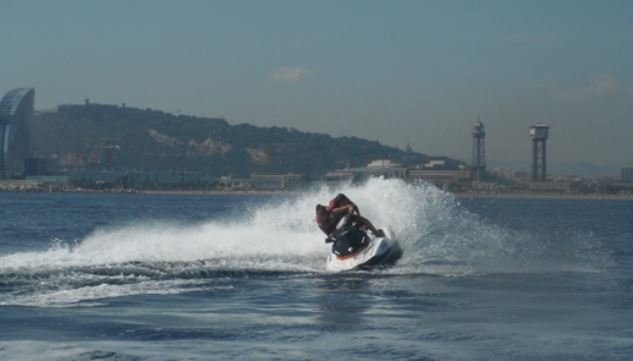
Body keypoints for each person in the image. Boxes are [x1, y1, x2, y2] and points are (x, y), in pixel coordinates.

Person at [315, 193, 385, 238]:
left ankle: (376, 233)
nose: (324, 216)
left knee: (359, 220)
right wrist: (331, 237)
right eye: (322, 215)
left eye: (324, 214)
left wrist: (354, 212)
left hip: (342, 218)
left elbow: (349, 206)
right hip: (335, 228)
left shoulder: (333, 211)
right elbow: (328, 234)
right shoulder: (320, 222)